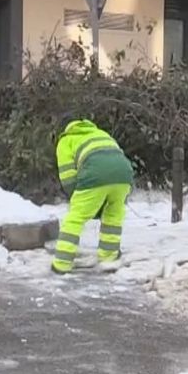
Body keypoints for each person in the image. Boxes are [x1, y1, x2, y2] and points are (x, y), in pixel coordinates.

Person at [52, 117, 134, 274]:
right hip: (124, 174)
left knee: (75, 217)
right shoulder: (100, 133)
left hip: (95, 174)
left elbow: (68, 177)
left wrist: (77, 199)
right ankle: (109, 257)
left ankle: (61, 263)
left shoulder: (66, 140)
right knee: (113, 215)